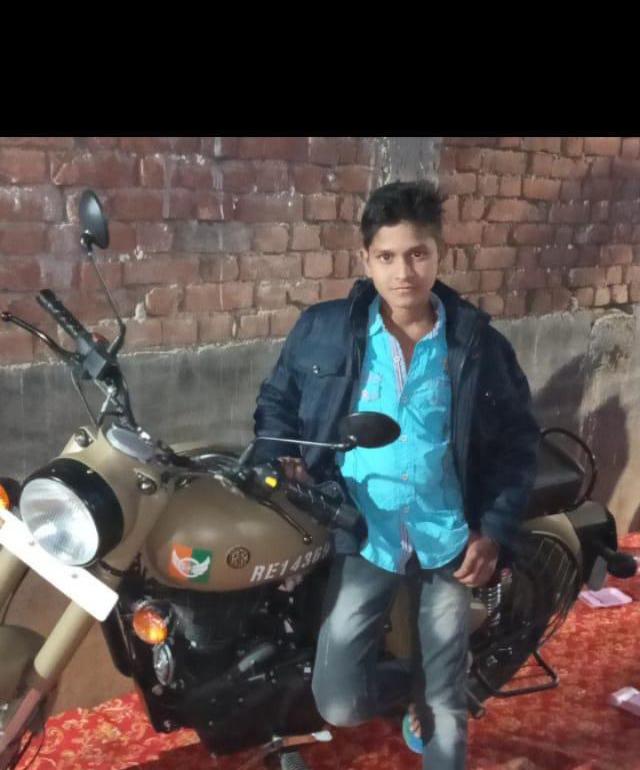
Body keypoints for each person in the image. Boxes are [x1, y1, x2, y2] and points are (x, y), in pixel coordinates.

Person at [252, 180, 540, 770]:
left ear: (439, 255)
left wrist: (492, 532)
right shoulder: (325, 330)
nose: (403, 272)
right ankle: (418, 684)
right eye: (386, 256)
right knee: (338, 700)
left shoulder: (477, 345)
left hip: (447, 537)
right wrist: (278, 457)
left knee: (445, 705)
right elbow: (277, 402)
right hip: (365, 533)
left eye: (417, 254)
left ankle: (438, 692)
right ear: (366, 260)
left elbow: (517, 444)